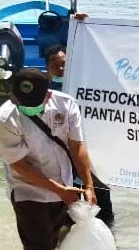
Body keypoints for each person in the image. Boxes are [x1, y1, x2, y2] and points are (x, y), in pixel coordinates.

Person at [0, 68, 98, 250]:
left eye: (34, 103)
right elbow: (20, 166)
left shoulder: (65, 104)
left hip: (64, 188)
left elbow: (77, 146)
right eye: (21, 102)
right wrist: (59, 190)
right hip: (29, 192)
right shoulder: (4, 120)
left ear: (48, 95)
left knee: (44, 245)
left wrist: (89, 185)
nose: (26, 107)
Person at [42, 43, 115, 227]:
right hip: (62, 155)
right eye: (54, 64)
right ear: (47, 66)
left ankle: (108, 237)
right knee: (68, 211)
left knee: (102, 204)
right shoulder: (43, 92)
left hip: (90, 152)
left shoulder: (87, 85)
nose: (60, 68)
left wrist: (85, 24)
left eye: (64, 64)